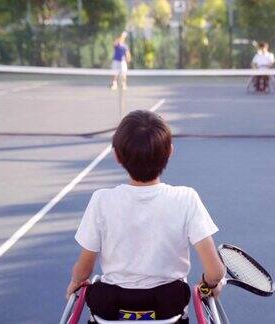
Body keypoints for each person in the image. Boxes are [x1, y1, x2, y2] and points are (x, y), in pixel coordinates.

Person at [66, 110, 225, 323]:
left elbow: (83, 271)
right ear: (169, 152)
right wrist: (209, 285)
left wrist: (76, 280)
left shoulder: (101, 200)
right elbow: (214, 272)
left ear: (117, 156)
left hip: (110, 309)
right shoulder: (186, 198)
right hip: (169, 307)